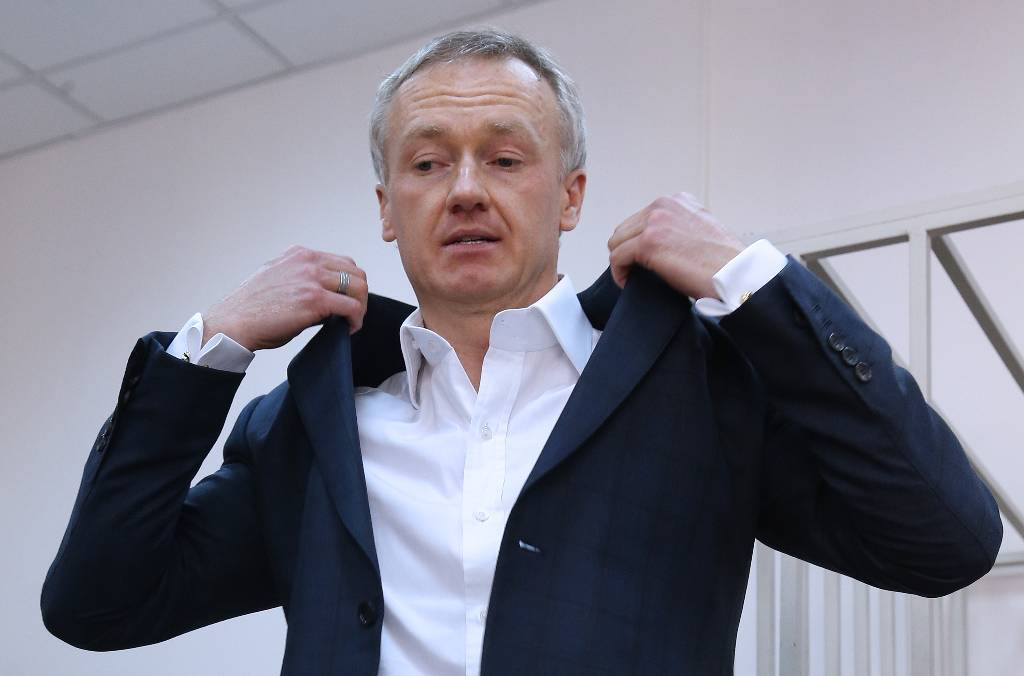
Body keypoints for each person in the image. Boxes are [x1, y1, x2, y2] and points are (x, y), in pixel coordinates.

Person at [41, 29, 1001, 675]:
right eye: (427, 163)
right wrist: (208, 346)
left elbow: (946, 539)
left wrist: (752, 279)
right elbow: (98, 603)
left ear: (570, 196)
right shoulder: (307, 425)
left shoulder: (695, 389)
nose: (465, 189)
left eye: (505, 159)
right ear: (387, 208)